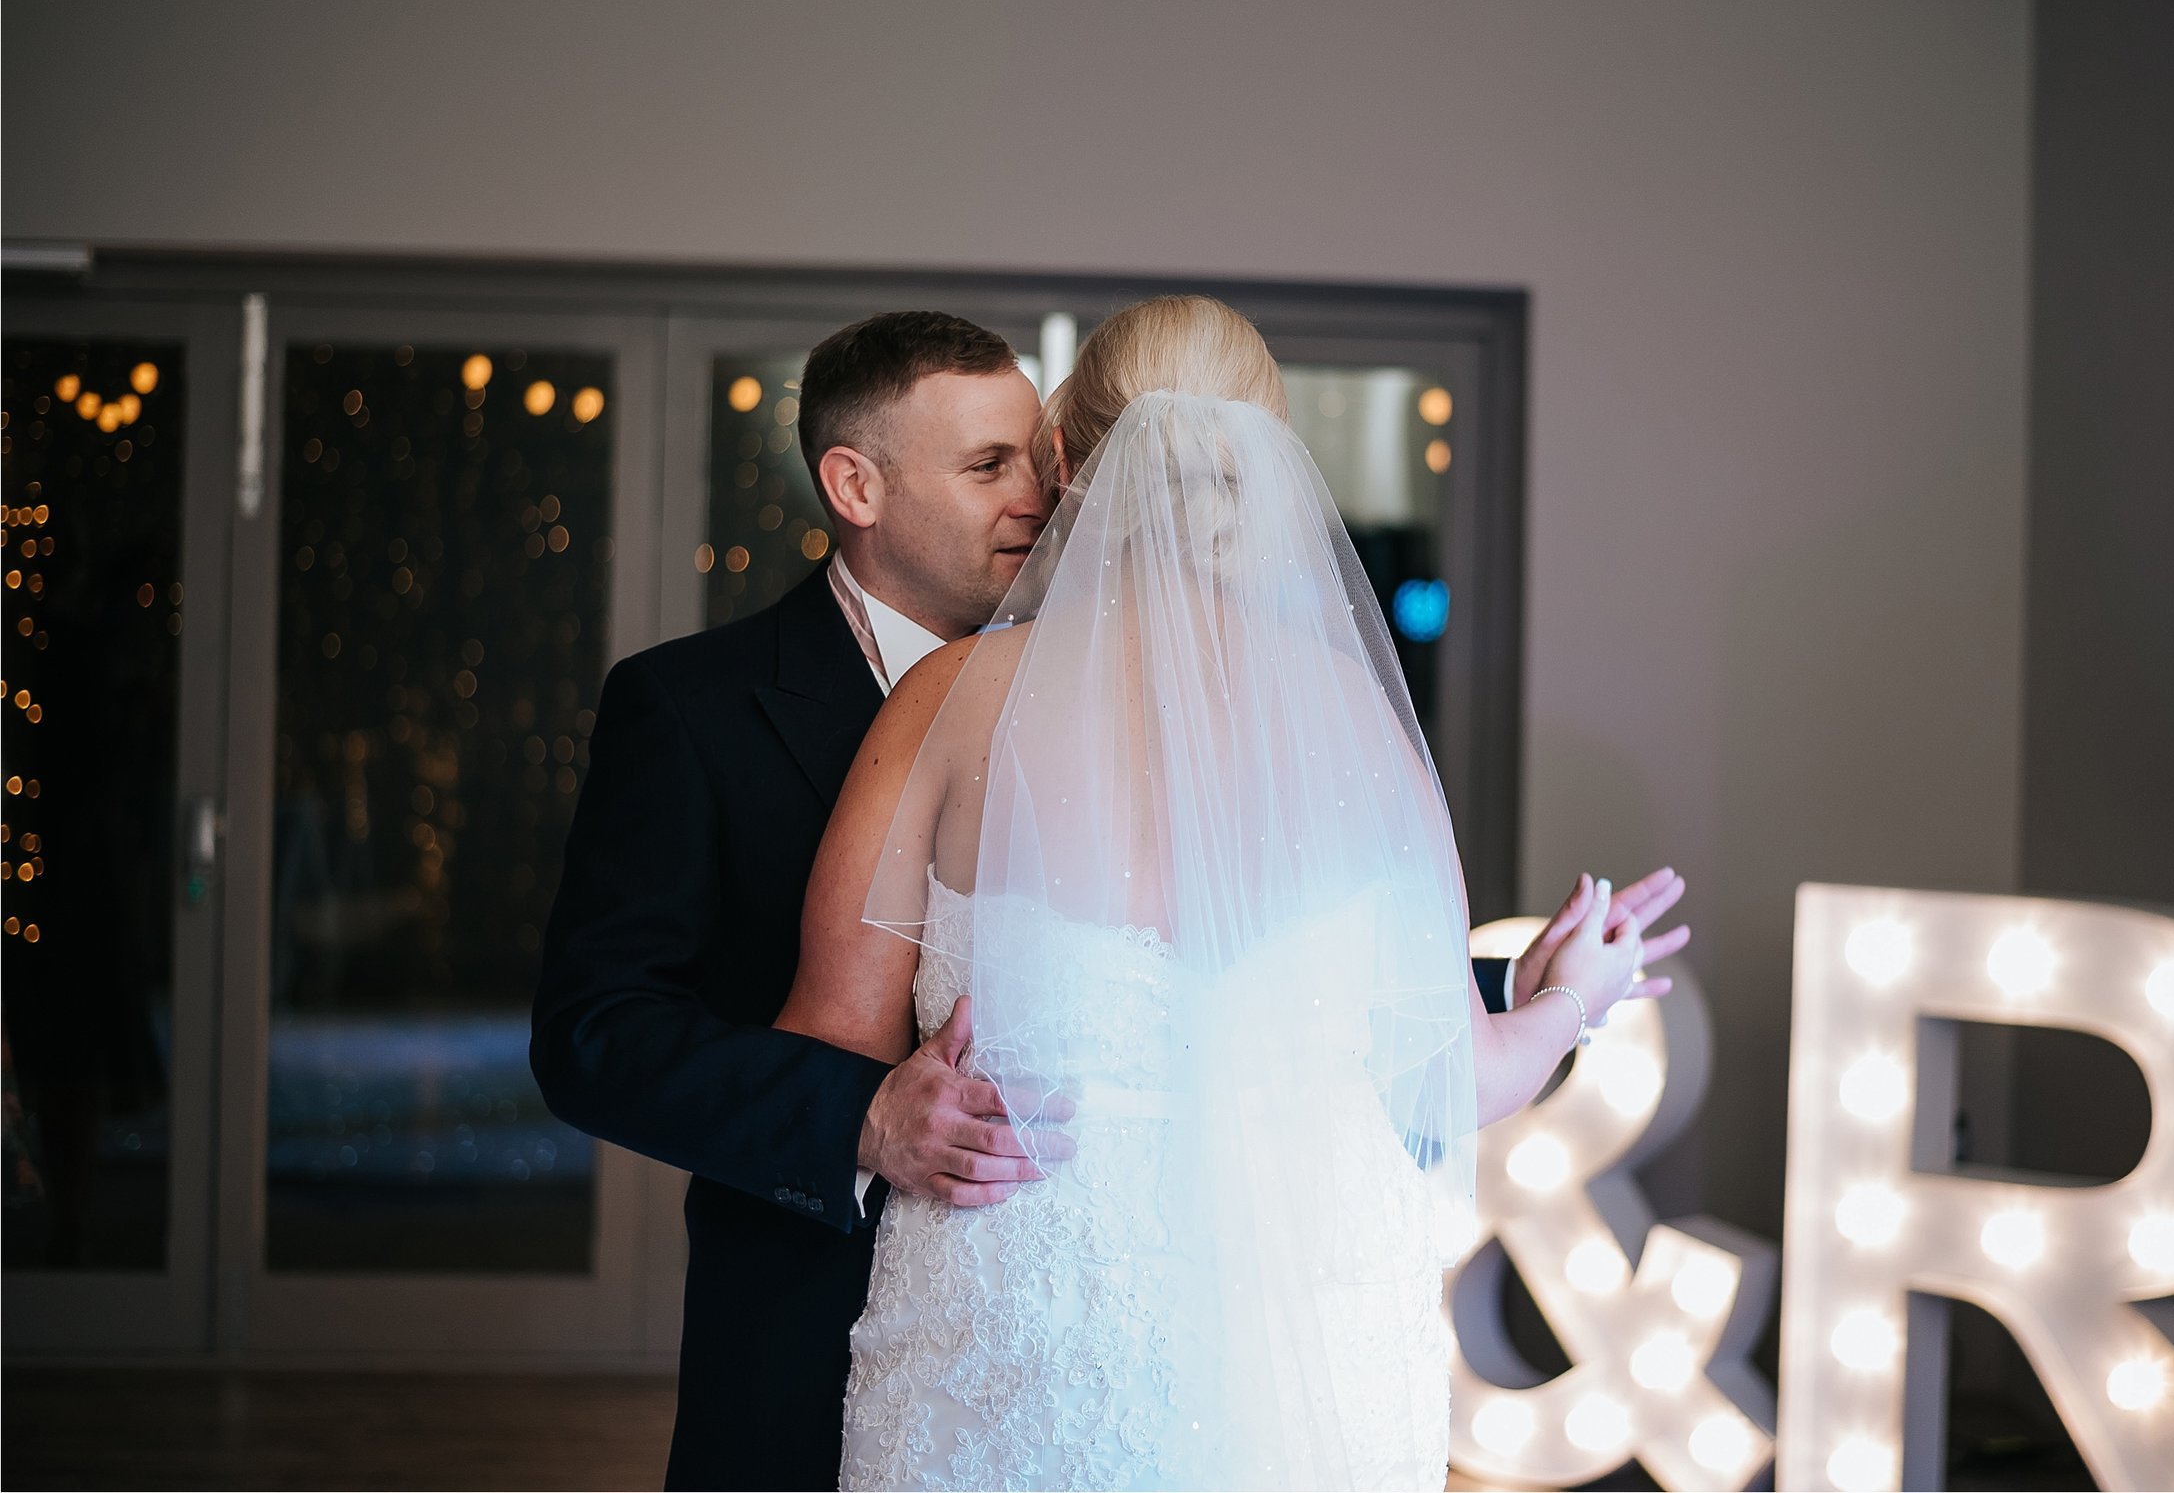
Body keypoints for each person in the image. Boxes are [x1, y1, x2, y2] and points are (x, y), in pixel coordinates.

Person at [776, 296, 1691, 1490]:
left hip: (1016, 1323)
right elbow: (1453, 1079)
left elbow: (829, 1041)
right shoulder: (1360, 723)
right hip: (1307, 1334)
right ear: (1265, 464)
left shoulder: (948, 702)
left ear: (1066, 461)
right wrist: (1573, 996)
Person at [531, 312, 1076, 1489]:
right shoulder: (690, 706)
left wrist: (1505, 987)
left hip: (1055, 1323)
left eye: (1036, 456)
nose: (1036, 494)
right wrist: (859, 1115)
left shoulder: (1090, 693)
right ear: (854, 485)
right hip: (802, 1309)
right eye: (988, 465)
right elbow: (593, 1034)